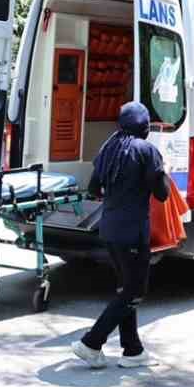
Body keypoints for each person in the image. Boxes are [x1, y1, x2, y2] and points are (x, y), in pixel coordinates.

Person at [72, 102, 168, 370]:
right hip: (134, 232)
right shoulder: (147, 150)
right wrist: (161, 172)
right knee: (135, 290)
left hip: (109, 229)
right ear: (144, 126)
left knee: (125, 288)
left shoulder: (109, 148)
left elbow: (93, 188)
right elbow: (162, 193)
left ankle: (132, 349)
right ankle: (91, 343)